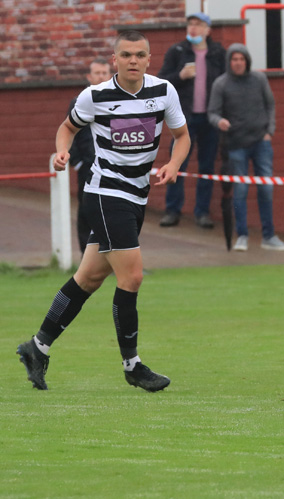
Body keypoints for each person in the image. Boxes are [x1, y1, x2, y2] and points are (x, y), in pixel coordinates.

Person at [16, 30, 189, 392]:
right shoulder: (94, 96)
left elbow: (183, 136)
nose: (133, 61)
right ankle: (132, 365)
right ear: (115, 59)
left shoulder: (163, 91)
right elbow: (67, 128)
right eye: (125, 54)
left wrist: (173, 165)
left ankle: (37, 346)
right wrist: (62, 152)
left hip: (137, 195)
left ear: (148, 58)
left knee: (89, 278)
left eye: (139, 55)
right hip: (105, 193)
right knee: (132, 278)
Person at [207, 44, 284, 252]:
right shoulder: (221, 84)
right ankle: (242, 235)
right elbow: (212, 113)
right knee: (241, 190)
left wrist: (269, 131)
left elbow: (270, 104)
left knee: (266, 188)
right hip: (236, 144)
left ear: (247, 61)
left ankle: (269, 236)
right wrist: (220, 122)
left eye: (241, 59)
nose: (238, 63)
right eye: (234, 59)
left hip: (261, 142)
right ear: (229, 62)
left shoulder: (259, 79)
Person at [157, 12, 227, 229]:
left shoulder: (218, 53)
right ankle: (172, 210)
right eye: (190, 25)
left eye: (198, 25)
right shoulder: (178, 51)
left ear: (208, 30)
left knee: (207, 165)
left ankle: (202, 212)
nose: (193, 29)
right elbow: (162, 82)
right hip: (183, 117)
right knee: (177, 163)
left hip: (210, 117)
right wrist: (181, 76)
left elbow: (226, 83)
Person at [68, 57, 111, 254]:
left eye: (105, 73)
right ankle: (86, 255)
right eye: (97, 73)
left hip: (112, 166)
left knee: (112, 210)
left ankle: (112, 254)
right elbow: (70, 133)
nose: (101, 77)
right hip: (87, 167)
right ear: (89, 76)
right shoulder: (79, 102)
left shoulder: (117, 101)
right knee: (86, 210)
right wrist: (76, 162)